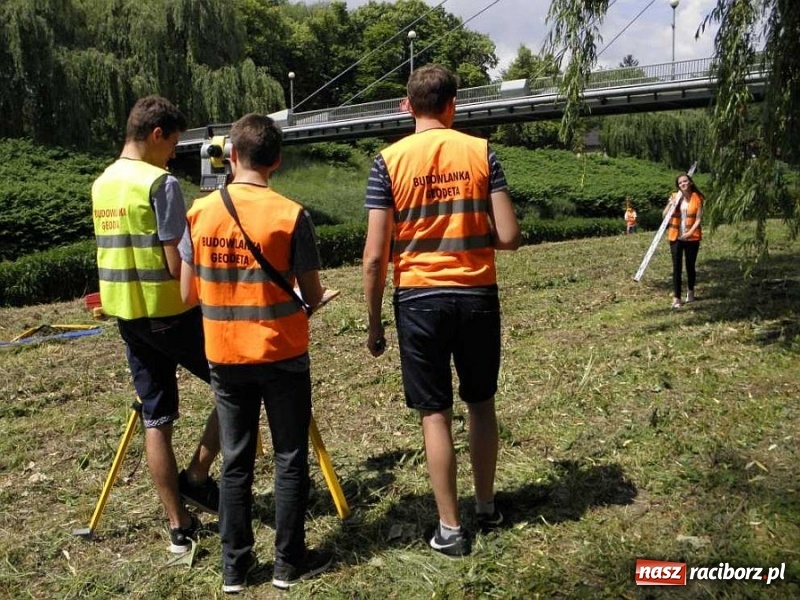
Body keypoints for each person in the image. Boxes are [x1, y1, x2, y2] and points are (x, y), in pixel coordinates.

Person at [361, 64, 521, 557]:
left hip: (418, 299)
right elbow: (509, 235)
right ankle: (487, 506)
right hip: (476, 294)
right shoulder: (481, 152)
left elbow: (374, 257)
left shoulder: (387, 162)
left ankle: (450, 529)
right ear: (453, 105)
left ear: (408, 106)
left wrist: (374, 322)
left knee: (435, 413)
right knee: (481, 403)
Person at [180, 113, 332, 593]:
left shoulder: (199, 213)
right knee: (289, 457)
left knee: (236, 460)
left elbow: (187, 293)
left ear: (232, 156)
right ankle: (288, 562)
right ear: (277, 161)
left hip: (225, 355)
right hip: (282, 352)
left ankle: (235, 568)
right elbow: (312, 294)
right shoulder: (291, 215)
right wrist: (312, 300)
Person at [91, 95, 221, 555]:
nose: (173, 155)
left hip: (129, 316)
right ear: (156, 134)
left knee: (157, 417)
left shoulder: (102, 183)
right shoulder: (159, 184)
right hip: (172, 312)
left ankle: (178, 525)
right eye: (173, 145)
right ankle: (198, 477)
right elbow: (175, 264)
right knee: (237, 385)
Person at [663, 172, 704, 309]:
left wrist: (689, 233)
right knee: (677, 267)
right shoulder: (675, 197)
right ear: (678, 186)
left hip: (692, 237)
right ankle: (677, 298)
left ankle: (690, 291)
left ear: (690, 182)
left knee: (690, 266)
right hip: (675, 236)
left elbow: (698, 219)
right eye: (680, 183)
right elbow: (664, 216)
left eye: (685, 181)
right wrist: (670, 205)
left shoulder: (697, 198)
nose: (683, 184)